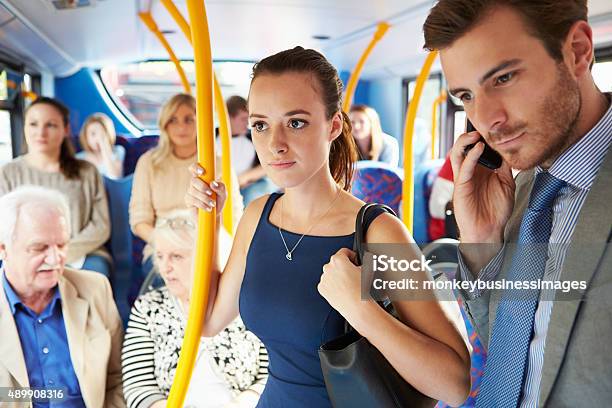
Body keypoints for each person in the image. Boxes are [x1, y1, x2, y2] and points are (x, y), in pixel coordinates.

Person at [185, 46, 471, 407]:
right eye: (260, 125)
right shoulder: (257, 216)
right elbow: (209, 321)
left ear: (334, 125)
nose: (275, 144)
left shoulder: (378, 232)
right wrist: (205, 223)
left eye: (296, 122)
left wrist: (361, 310)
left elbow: (455, 385)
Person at [424, 0, 612, 406]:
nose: (485, 119)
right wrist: (481, 248)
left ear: (578, 51)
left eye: (504, 78)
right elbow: (508, 353)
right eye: (466, 96)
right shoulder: (515, 191)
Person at [121, 210, 267, 408]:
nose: (165, 268)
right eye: (160, 256)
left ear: (206, 257)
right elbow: (137, 386)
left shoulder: (245, 303)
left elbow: (271, 373)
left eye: (177, 256)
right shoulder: (148, 308)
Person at [0, 186, 124, 407]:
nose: (56, 259)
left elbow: (118, 380)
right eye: (39, 248)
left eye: (62, 244)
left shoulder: (95, 289)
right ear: (3, 249)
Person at [0, 97, 112, 277]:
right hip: (25, 256)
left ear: (65, 129)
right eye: (33, 124)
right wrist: (37, 254)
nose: (41, 133)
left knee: (96, 274)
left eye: (50, 125)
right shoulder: (8, 173)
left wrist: (61, 253)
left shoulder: (87, 172)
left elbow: (101, 226)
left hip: (83, 253)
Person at [129, 93, 242, 257]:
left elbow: (234, 215)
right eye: (173, 120)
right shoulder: (148, 163)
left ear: (200, 124)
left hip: (208, 244)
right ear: (165, 125)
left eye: (189, 120)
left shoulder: (218, 164)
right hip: (162, 246)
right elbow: (139, 221)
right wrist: (168, 245)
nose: (181, 127)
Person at [223, 95, 277, 205]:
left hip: (249, 185)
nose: (247, 124)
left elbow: (268, 164)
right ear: (228, 118)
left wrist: (244, 178)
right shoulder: (213, 138)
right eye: (243, 119)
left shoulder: (252, 137)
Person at [76, 113, 126, 180]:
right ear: (86, 136)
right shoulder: (78, 158)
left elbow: (116, 177)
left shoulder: (118, 151)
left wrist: (104, 146)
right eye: (93, 134)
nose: (97, 138)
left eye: (102, 133)